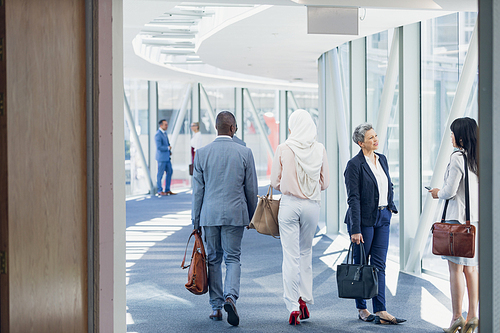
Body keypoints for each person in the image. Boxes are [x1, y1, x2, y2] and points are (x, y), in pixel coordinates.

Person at [192, 111, 258, 327]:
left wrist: (196, 219)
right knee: (233, 258)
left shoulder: (202, 153)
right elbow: (251, 189)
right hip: (235, 213)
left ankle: (216, 307)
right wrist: (252, 215)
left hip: (209, 215)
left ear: (216, 127)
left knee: (213, 259)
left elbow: (197, 192)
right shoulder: (245, 152)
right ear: (232, 128)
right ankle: (231, 296)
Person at [270, 109, 330, 325]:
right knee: (306, 252)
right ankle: (304, 299)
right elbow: (325, 183)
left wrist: (289, 185)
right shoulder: (320, 148)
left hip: (289, 205)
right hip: (312, 205)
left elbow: (274, 181)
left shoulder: (284, 148)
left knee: (290, 256)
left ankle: (293, 307)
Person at [343, 123, 405, 325]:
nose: (375, 140)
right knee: (361, 264)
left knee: (379, 265)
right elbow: (353, 198)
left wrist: (389, 207)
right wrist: (355, 229)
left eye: (375, 136)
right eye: (370, 138)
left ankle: (381, 310)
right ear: (361, 143)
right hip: (363, 221)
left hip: (383, 218)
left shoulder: (382, 159)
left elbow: (388, 184)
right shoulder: (354, 165)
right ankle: (362, 308)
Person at [428, 117, 479, 333]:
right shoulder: (478, 157)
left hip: (457, 221)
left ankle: (457, 317)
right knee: (472, 269)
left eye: (452, 134)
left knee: (455, 270)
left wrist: (437, 192)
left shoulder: (458, 157)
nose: (450, 137)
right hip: (474, 221)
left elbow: (449, 192)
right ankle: (474, 316)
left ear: (460, 137)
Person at [155, 119, 176, 196]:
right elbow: (159, 147)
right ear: (161, 125)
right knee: (160, 174)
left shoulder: (164, 133)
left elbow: (167, 143)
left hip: (167, 157)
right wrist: (168, 148)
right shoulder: (158, 134)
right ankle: (160, 190)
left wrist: (169, 151)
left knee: (170, 172)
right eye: (165, 125)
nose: (167, 126)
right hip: (161, 158)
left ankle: (167, 189)